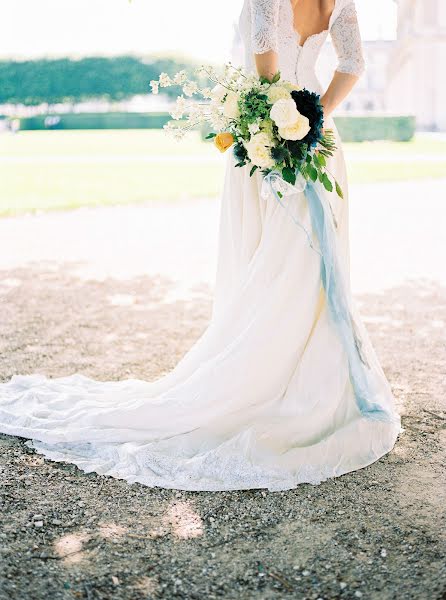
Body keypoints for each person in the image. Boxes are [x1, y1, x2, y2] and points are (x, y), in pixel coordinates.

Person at [0, 0, 401, 492]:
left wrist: (282, 123)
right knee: (312, 263)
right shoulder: (340, 2)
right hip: (318, 140)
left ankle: (264, 370)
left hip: (268, 136)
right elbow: (352, 65)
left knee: (268, 257)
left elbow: (265, 71)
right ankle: (309, 377)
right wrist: (315, 117)